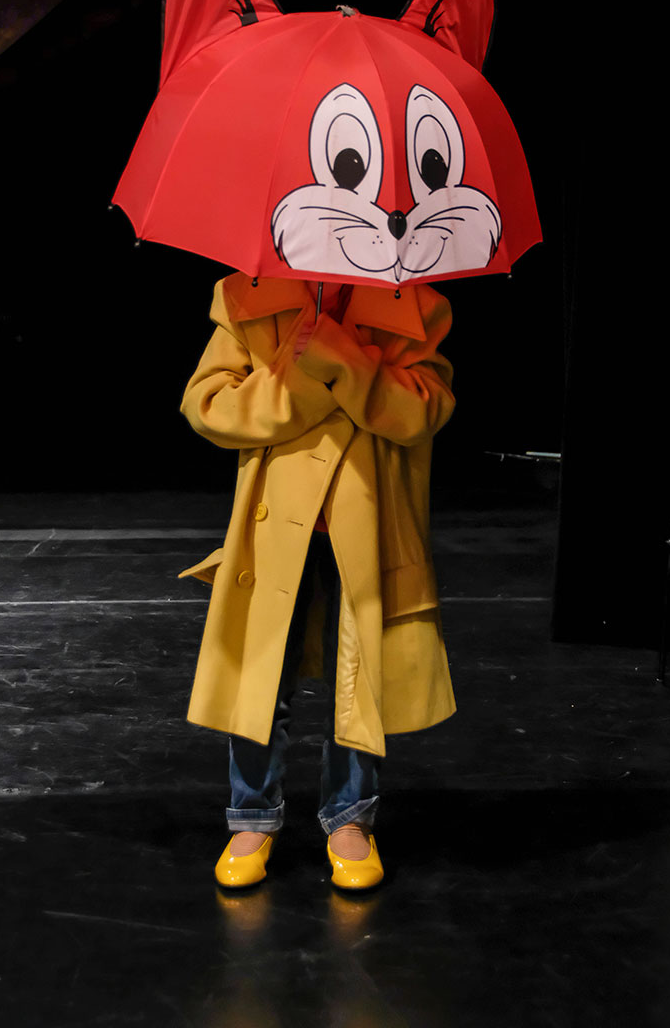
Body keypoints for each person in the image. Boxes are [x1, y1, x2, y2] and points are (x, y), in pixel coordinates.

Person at [178, 270, 456, 889]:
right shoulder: (247, 296)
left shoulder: (415, 303)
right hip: (275, 523)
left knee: (359, 674)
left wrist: (343, 362)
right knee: (260, 672)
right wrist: (308, 378)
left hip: (369, 522)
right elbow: (208, 404)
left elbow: (426, 408)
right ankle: (251, 816)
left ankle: (351, 817)